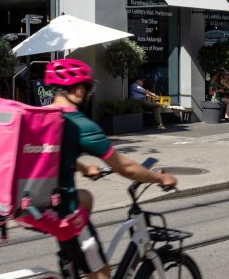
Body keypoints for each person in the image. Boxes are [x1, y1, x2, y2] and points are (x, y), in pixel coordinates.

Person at [44, 59, 177, 279]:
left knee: (85, 198)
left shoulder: (43, 118)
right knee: (103, 275)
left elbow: (52, 154)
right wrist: (160, 179)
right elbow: (126, 167)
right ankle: (77, 254)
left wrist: (84, 168)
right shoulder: (79, 124)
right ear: (79, 89)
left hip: (38, 204)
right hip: (63, 210)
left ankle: (70, 260)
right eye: (87, 89)